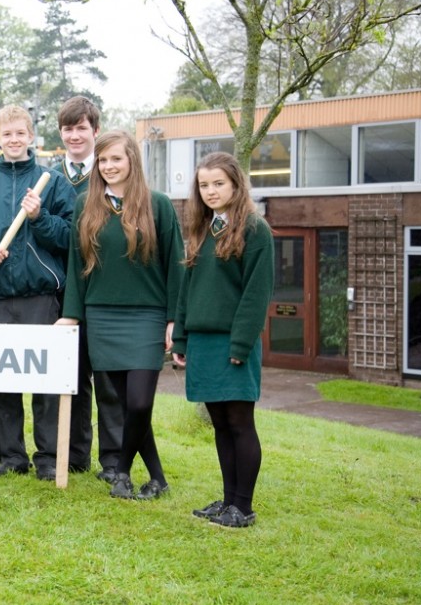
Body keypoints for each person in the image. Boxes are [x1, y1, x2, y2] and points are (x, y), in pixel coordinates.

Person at [57, 130, 183, 499]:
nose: (109, 166)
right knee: (124, 404)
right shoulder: (86, 205)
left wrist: (175, 319)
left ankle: (123, 472)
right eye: (104, 160)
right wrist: (72, 314)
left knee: (140, 402)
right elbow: (76, 264)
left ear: (132, 162)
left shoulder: (158, 205)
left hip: (147, 316)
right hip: (101, 317)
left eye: (117, 159)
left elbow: (176, 265)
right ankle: (156, 478)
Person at [0, 105, 76, 480]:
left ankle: (47, 458)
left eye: (20, 133)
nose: (13, 140)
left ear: (31, 137)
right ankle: (12, 457)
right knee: (4, 382)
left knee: (44, 382)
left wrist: (40, 217)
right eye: (6, 134)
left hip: (40, 296)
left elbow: (70, 237)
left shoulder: (51, 181)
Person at [171, 152, 274, 528]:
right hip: (202, 342)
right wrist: (180, 338)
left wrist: (241, 345)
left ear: (235, 185)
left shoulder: (255, 230)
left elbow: (256, 294)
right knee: (219, 423)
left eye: (218, 183)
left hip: (234, 343)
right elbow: (187, 289)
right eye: (204, 185)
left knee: (239, 422)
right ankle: (228, 501)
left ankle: (243, 507)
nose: (211, 191)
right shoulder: (201, 229)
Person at [54, 96, 123, 481]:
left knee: (110, 382)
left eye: (82, 128)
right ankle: (75, 454)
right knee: (72, 379)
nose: (75, 135)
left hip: (106, 294)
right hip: (62, 293)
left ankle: (113, 459)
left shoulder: (115, 172)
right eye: (68, 129)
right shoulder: (50, 176)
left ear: (95, 131)